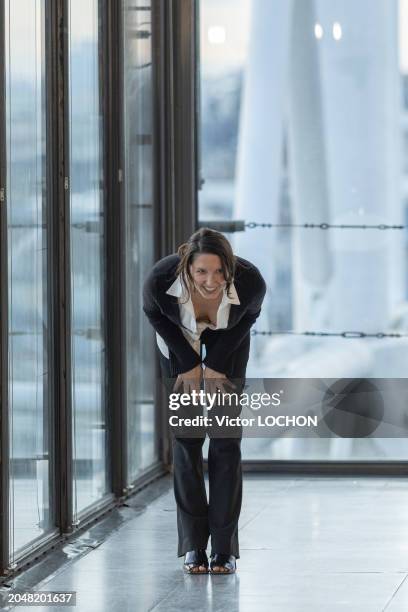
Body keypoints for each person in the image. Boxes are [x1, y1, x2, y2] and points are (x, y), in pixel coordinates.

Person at [142, 227, 266, 574]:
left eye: (219, 271)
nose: (211, 281)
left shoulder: (251, 281)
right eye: (201, 272)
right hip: (179, 340)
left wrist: (214, 365)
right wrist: (190, 364)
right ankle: (193, 545)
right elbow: (153, 315)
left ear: (230, 268)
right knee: (187, 440)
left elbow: (250, 317)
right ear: (186, 268)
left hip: (228, 340)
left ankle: (224, 549)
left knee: (225, 442)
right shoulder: (159, 281)